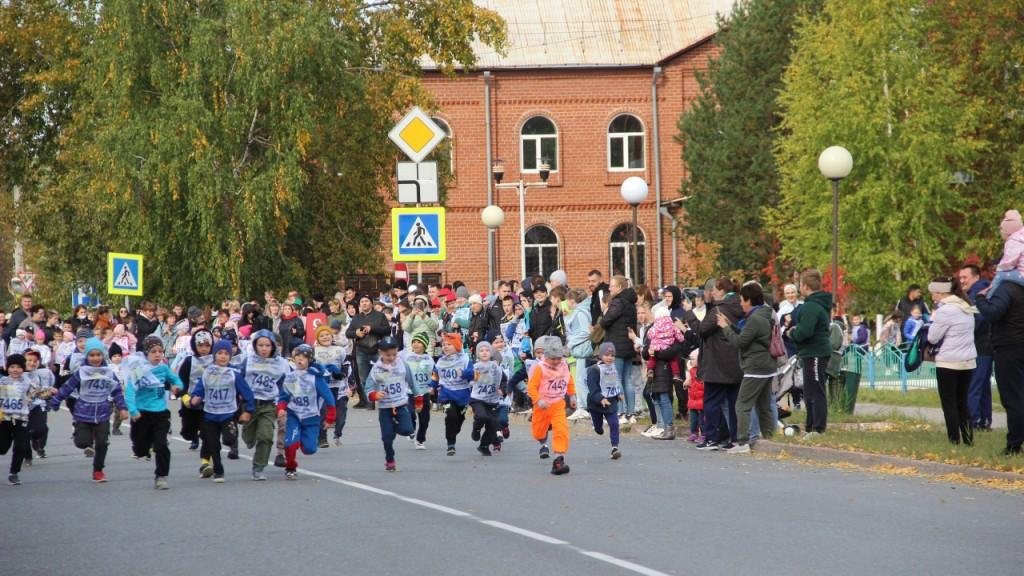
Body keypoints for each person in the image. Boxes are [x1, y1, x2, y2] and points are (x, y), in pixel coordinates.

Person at [49, 338, 129, 483]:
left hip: (103, 413)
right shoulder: (81, 372)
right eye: (91, 355)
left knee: (102, 443)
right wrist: (56, 401)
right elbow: (68, 387)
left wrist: (122, 408)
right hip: (83, 413)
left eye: (98, 355)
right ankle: (79, 434)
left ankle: (98, 470)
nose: (95, 358)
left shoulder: (109, 373)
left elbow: (117, 391)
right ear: (87, 356)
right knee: (82, 442)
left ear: (103, 356)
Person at [717, 282, 777, 454]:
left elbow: (740, 342)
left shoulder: (755, 319)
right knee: (763, 405)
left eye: (742, 300)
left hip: (755, 367)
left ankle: (742, 442)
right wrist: (732, 325)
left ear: (749, 300)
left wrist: (726, 328)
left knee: (742, 404)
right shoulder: (763, 315)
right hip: (767, 366)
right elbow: (748, 335)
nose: (740, 304)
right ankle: (769, 438)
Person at [688, 278, 743, 451]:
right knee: (733, 403)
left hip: (717, 365)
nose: (712, 293)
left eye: (715, 290)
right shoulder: (740, 307)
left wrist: (690, 315)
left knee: (711, 401)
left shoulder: (718, 309)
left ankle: (712, 437)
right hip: (736, 363)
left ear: (721, 291)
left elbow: (702, 330)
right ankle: (734, 437)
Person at [122, 335, 184, 489]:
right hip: (142, 413)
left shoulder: (163, 368)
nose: (158, 355)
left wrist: (177, 387)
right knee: (140, 449)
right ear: (146, 353)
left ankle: (161, 476)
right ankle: (143, 447)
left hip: (160, 413)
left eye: (160, 351)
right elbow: (130, 391)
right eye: (154, 352)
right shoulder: (139, 370)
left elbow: (177, 380)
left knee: (161, 445)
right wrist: (133, 410)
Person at [189, 339, 255, 482]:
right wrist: (195, 399)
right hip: (210, 415)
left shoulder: (234, 374)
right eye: (219, 353)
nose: (223, 356)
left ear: (230, 356)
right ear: (214, 355)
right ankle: (218, 471)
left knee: (229, 439)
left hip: (228, 413)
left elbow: (247, 393)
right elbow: (199, 390)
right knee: (213, 444)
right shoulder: (207, 372)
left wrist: (248, 410)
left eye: (226, 354)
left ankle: (232, 435)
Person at [975, 278, 1024, 455]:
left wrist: (980, 299)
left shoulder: (1007, 289)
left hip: (1009, 347)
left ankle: (1014, 445)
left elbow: (992, 312)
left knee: (1013, 398)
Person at [926, 278, 976, 446]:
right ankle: (969, 440)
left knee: (949, 403)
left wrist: (933, 320)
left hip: (948, 362)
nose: (933, 297)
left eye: (934, 293)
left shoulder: (945, 310)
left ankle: (954, 441)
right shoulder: (967, 307)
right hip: (968, 362)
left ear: (941, 292)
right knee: (962, 402)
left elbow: (932, 337)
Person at [786, 269, 833, 439]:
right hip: (814, 352)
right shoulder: (817, 304)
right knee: (810, 390)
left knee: (815, 390)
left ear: (805, 286)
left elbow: (805, 331)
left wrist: (792, 333)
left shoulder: (811, 306)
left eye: (799, 284)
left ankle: (817, 428)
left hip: (815, 352)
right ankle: (811, 425)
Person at [277, 344, 336, 479]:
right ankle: (290, 467)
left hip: (311, 417)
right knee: (290, 444)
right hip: (294, 415)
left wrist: (330, 418)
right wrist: (281, 408)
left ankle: (302, 441)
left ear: (309, 360)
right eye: (297, 356)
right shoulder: (290, 376)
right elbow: (284, 396)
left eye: (303, 357)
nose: (300, 360)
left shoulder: (315, 377)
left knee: (310, 449)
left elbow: (329, 398)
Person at [241, 329, 290, 480]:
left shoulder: (281, 363)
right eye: (260, 345)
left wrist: (283, 404)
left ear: (273, 347)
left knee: (266, 436)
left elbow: (286, 385)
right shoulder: (248, 360)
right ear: (255, 346)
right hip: (250, 404)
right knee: (248, 435)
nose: (264, 348)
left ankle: (259, 467)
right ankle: (249, 438)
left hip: (269, 404)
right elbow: (239, 380)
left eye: (267, 345)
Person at [364, 337, 413, 471]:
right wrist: (374, 395)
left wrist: (418, 396)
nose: (391, 358)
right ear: (380, 353)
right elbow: (368, 388)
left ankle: (394, 428)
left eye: (394, 354)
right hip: (385, 407)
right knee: (386, 438)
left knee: (408, 429)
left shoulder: (402, 364)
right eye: (387, 355)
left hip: (401, 404)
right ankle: (390, 459)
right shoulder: (376, 369)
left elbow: (410, 379)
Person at [528, 335, 576, 475]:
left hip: (558, 403)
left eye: (558, 358)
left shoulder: (564, 365)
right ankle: (542, 437)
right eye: (553, 358)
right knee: (538, 433)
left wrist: (572, 395)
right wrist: (538, 400)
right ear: (546, 356)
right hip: (542, 405)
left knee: (561, 429)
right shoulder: (539, 368)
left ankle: (558, 460)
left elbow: (569, 380)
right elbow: (531, 387)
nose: (556, 361)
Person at [1, 354, 47, 485]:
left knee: (20, 446)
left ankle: (13, 473)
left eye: (18, 367)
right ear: (7, 368)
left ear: (23, 368)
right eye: (12, 367)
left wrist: (50, 393)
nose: (15, 370)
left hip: (22, 419)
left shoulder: (27, 383)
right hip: (4, 420)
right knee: (2, 448)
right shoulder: (2, 381)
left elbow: (39, 392)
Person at [959, 264, 994, 430]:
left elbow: (978, 319)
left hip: (980, 345)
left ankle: (972, 421)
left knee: (974, 385)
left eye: (965, 277)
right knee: (982, 385)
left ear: (976, 277)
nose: (961, 281)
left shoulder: (978, 294)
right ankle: (983, 420)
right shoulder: (979, 292)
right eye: (960, 278)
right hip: (985, 345)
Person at [599, 275, 638, 422]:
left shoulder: (618, 302)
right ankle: (631, 413)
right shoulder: (630, 302)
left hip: (617, 346)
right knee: (627, 379)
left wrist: (605, 312)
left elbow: (605, 321)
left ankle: (620, 412)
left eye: (612, 286)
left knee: (616, 379)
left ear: (620, 288)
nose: (609, 288)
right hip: (628, 345)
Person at [431, 333, 474, 456]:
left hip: (462, 395)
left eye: (449, 344)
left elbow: (474, 375)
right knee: (451, 416)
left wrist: (464, 373)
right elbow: (435, 375)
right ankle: (451, 444)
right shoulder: (440, 361)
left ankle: (454, 431)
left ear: (457, 346)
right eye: (444, 344)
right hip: (446, 394)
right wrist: (432, 387)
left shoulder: (465, 359)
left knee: (458, 420)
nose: (446, 347)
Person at [346, 294, 391, 409]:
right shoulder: (357, 318)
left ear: (371, 303)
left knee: (384, 374)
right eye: (362, 302)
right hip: (361, 349)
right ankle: (370, 401)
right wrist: (356, 333)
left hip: (378, 349)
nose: (364, 303)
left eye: (366, 301)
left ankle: (388, 398)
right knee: (363, 377)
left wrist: (372, 329)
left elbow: (387, 330)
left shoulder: (380, 316)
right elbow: (348, 333)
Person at [177, 329, 214, 454]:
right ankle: (193, 437)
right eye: (200, 345)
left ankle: (204, 440)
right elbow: (181, 380)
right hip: (190, 399)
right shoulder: (189, 361)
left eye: (207, 345)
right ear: (194, 345)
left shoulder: (215, 360)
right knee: (187, 431)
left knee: (206, 429)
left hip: (208, 400)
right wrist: (183, 396)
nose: (204, 348)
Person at [468, 341, 507, 456]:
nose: (484, 353)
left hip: (492, 400)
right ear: (477, 354)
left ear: (491, 353)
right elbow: (466, 380)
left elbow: (504, 381)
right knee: (482, 416)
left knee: (493, 425)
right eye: (481, 350)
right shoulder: (474, 367)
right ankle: (476, 429)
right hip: (478, 398)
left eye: (487, 350)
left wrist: (502, 390)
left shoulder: (496, 368)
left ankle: (484, 446)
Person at [586, 343, 623, 459]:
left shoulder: (613, 367)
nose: (610, 357)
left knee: (614, 424)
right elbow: (592, 389)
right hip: (596, 403)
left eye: (612, 355)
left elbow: (614, 382)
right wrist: (600, 398)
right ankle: (597, 427)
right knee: (598, 427)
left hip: (611, 402)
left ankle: (615, 447)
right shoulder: (594, 370)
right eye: (606, 355)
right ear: (600, 355)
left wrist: (618, 393)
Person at [564, 288, 593, 420]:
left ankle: (585, 406)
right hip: (579, 348)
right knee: (580, 378)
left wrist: (570, 343)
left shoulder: (580, 313)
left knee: (581, 379)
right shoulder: (580, 311)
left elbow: (585, 332)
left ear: (571, 300)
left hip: (581, 349)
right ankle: (582, 405)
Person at [403, 332, 435, 450]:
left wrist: (433, 386)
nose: (416, 344)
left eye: (419, 342)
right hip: (409, 392)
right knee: (410, 412)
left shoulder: (429, 359)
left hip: (424, 392)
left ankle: (420, 439)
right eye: (414, 342)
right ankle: (411, 429)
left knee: (424, 418)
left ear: (425, 345)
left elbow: (434, 374)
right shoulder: (406, 357)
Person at [984, 209, 1024, 297]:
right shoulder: (1021, 237)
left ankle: (988, 298)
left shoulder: (1013, 241)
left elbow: (1009, 261)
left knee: (1001, 275)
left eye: (1002, 230)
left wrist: (999, 268)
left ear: (1007, 230)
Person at [24, 349, 54, 461]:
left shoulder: (43, 373)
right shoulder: (17, 373)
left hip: (38, 405)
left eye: (35, 361)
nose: (32, 363)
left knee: (42, 429)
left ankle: (37, 443)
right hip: (22, 408)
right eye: (29, 360)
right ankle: (27, 456)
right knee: (24, 433)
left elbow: (48, 387)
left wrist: (50, 392)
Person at [645, 307, 686, 384]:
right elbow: (678, 334)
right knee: (673, 359)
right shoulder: (672, 325)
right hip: (667, 346)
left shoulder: (654, 326)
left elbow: (650, 334)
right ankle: (676, 374)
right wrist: (682, 339)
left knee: (652, 357)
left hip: (656, 346)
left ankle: (650, 370)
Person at [685, 349, 704, 443]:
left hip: (701, 398)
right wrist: (686, 383)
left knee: (702, 419)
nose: (690, 361)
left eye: (692, 359)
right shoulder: (691, 370)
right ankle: (694, 432)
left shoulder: (703, 371)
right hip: (693, 398)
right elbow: (689, 379)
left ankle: (704, 434)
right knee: (693, 418)